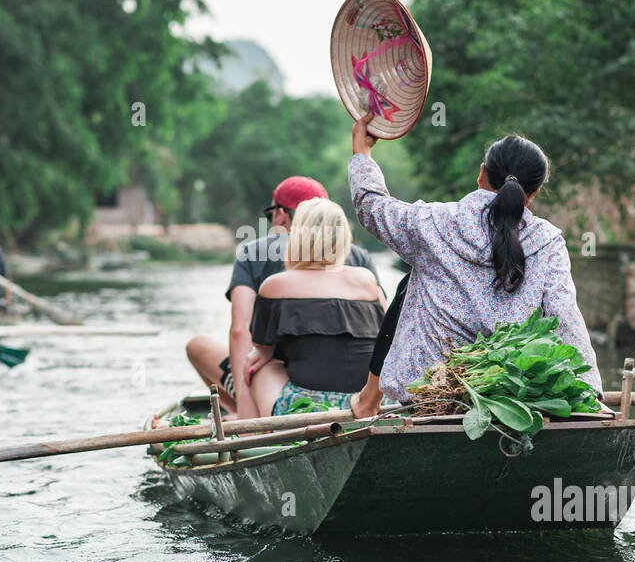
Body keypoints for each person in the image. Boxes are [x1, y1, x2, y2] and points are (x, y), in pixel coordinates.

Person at [347, 111, 603, 412]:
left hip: (430, 395)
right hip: (511, 397)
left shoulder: (433, 222)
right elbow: (565, 318)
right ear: (532, 195)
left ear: (481, 174)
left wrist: (362, 154)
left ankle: (369, 399)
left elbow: (371, 206)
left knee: (406, 285)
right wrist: (591, 396)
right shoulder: (548, 241)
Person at [185, 175, 379, 418]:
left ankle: (242, 416)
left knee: (204, 347)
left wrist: (247, 411)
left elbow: (240, 330)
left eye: (271, 215)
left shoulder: (256, 256)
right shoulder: (361, 263)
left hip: (290, 386)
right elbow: (382, 331)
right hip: (361, 395)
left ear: (283, 216)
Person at [242, 199, 387, 417]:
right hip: (370, 401)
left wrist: (264, 352)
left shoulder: (274, 286)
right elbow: (388, 336)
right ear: (343, 237)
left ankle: (259, 432)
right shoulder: (366, 280)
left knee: (261, 366)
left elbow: (261, 346)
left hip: (306, 410)